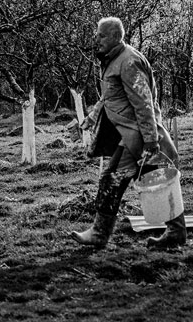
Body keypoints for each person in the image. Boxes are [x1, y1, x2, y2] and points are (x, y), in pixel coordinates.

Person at [70, 16, 186, 250]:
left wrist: (151, 141)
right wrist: (92, 117)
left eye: (101, 35)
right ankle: (176, 232)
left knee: (111, 178)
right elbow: (110, 95)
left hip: (138, 137)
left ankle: (99, 235)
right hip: (133, 136)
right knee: (159, 181)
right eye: (97, 34)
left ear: (115, 36)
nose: (96, 39)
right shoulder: (114, 60)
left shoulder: (128, 61)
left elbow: (144, 104)